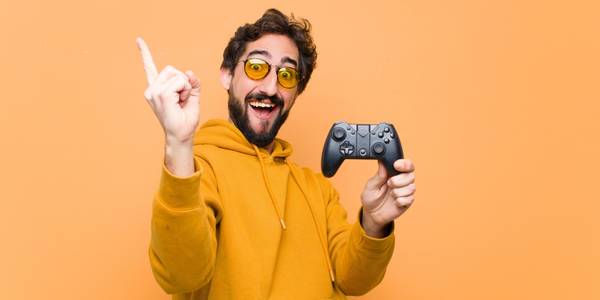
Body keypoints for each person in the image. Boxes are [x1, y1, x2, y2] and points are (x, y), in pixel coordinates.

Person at [137, 8, 416, 300]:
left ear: (296, 91)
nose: (271, 87)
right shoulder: (195, 170)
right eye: (257, 67)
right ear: (228, 74)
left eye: (286, 74)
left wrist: (374, 222)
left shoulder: (317, 190)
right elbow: (181, 274)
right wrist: (179, 144)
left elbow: (353, 280)